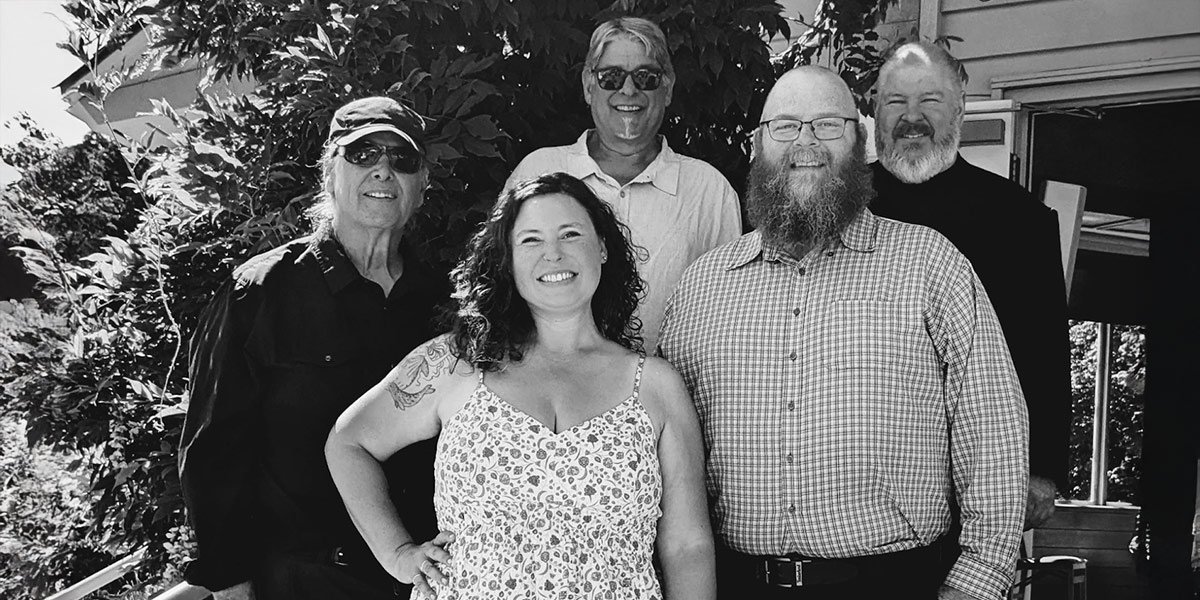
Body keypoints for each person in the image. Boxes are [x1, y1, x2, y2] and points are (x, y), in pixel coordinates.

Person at [658, 66, 1028, 600]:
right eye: (785, 126)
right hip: (735, 585)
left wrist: (978, 582)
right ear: (757, 145)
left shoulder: (930, 264)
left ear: (860, 142)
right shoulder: (702, 287)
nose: (805, 143)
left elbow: (993, 429)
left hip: (892, 584)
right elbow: (663, 448)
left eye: (828, 125)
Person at [326, 172, 715, 600]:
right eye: (531, 240)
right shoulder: (456, 363)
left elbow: (688, 547)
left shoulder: (656, 387)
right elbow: (348, 443)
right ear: (507, 261)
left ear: (602, 247)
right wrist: (398, 554)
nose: (553, 253)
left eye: (570, 234)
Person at [179, 96, 446, 600]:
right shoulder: (259, 293)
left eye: (402, 158)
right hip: (302, 582)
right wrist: (229, 584)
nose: (383, 170)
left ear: (422, 184)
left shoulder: (445, 304)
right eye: (362, 155)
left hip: (424, 580)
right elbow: (213, 452)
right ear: (329, 174)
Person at [870, 41, 1071, 529]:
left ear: (959, 110)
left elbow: (1044, 351)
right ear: (874, 111)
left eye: (930, 100)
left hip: (981, 471)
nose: (911, 117)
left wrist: (1042, 470)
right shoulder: (843, 208)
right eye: (896, 101)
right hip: (862, 473)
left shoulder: (1020, 219)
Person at [505, 17, 742, 350]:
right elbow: (501, 286)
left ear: (668, 87)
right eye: (611, 77)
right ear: (588, 85)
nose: (628, 90)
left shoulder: (709, 190)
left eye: (646, 77)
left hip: (672, 381)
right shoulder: (538, 171)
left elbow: (730, 313)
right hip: (550, 379)